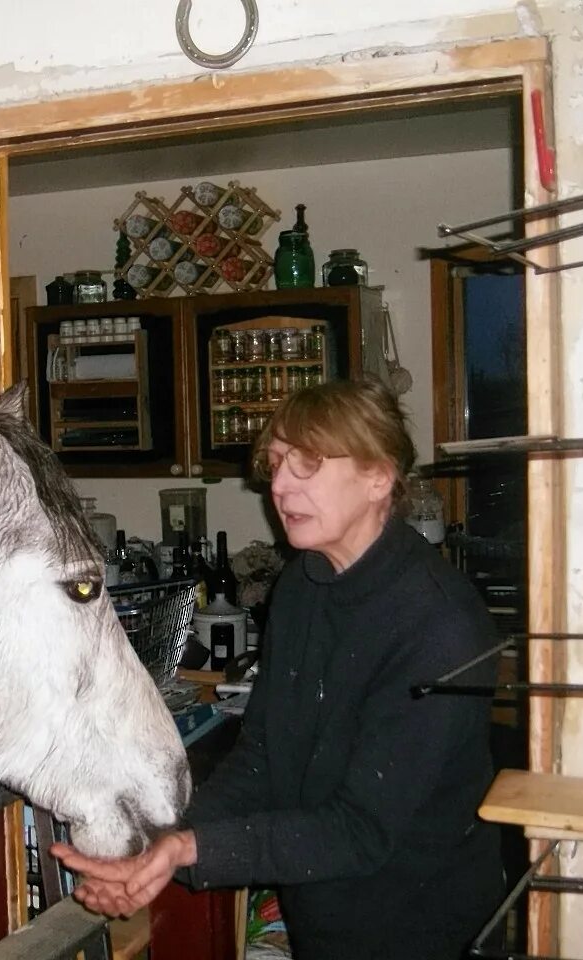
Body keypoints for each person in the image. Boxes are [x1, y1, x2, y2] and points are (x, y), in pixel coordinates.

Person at [53, 378, 503, 959]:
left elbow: (361, 831)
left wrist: (190, 851)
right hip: (323, 914)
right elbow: (264, 755)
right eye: (276, 464)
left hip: (424, 929)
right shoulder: (302, 585)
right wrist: (159, 849)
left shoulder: (443, 626)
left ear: (378, 476)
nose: (281, 486)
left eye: (308, 463)